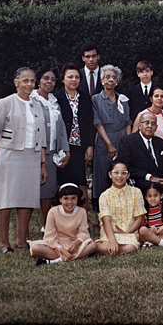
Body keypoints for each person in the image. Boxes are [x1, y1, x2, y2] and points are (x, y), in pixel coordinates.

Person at [0, 67, 48, 253]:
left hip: (32, 157)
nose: (29, 84)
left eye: (32, 81)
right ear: (16, 83)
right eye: (25, 81)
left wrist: (42, 164)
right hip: (8, 157)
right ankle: (4, 243)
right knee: (5, 201)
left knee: (27, 199)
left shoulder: (38, 105)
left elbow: (42, 137)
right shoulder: (5, 103)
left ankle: (22, 240)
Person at [31, 66, 70, 228]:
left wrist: (65, 150)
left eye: (53, 79)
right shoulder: (31, 100)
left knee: (48, 192)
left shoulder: (54, 101)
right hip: (35, 153)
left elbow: (61, 128)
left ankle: (46, 225)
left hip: (52, 153)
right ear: (38, 80)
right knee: (33, 191)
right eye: (46, 78)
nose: (49, 82)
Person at [54, 63, 95, 213]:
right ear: (63, 79)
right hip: (62, 146)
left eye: (77, 77)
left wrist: (89, 146)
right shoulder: (56, 98)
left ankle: (83, 217)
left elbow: (90, 124)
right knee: (61, 180)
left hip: (79, 146)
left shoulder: (85, 98)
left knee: (81, 181)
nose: (74, 80)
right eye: (70, 76)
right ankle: (61, 216)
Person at [29, 183, 96, 265]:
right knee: (36, 248)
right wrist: (59, 248)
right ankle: (74, 256)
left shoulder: (81, 212)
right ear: (60, 199)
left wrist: (77, 242)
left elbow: (83, 232)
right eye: (66, 198)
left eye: (73, 198)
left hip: (74, 245)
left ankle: (53, 261)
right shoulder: (53, 211)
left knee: (93, 245)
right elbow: (49, 235)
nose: (70, 202)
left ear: (78, 199)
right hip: (56, 245)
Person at [91, 65, 132, 200]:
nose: (110, 80)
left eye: (113, 77)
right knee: (103, 172)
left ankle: (120, 201)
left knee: (119, 171)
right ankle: (102, 203)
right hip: (104, 139)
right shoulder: (96, 99)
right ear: (102, 80)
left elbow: (127, 123)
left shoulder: (123, 99)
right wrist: (109, 145)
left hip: (121, 139)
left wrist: (128, 143)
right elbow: (98, 123)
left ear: (117, 81)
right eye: (107, 77)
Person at [118, 111, 163, 194]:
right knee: (151, 187)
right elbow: (125, 167)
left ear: (156, 127)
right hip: (142, 180)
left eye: (153, 124)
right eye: (146, 123)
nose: (150, 126)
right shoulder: (127, 142)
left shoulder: (159, 142)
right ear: (139, 125)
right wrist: (149, 177)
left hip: (162, 180)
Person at [95, 161, 147, 255]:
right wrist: (112, 241)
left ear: (128, 175)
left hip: (129, 233)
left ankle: (114, 250)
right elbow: (106, 220)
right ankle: (112, 248)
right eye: (116, 172)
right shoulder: (104, 195)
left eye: (123, 173)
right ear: (110, 174)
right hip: (110, 233)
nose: (119, 176)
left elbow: (139, 219)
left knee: (130, 248)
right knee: (103, 247)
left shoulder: (136, 192)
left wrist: (127, 232)